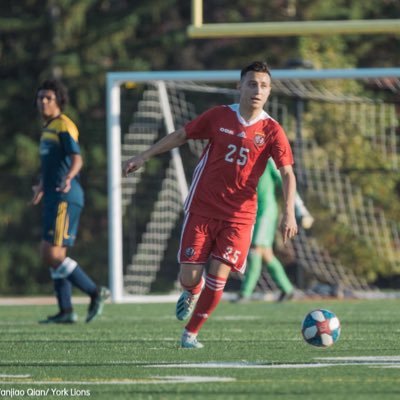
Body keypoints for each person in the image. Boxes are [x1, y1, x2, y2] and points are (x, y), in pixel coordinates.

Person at [122, 61, 298, 349]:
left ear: (269, 92)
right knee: (189, 276)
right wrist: (144, 156)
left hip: (239, 217)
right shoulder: (218, 116)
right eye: (252, 83)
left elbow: (287, 172)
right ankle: (192, 290)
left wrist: (289, 211)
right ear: (238, 86)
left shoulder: (272, 130)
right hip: (202, 208)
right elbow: (181, 135)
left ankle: (190, 333)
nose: (257, 89)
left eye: (264, 85)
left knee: (219, 275)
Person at [32, 78, 109, 324]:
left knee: (51, 254)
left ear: (59, 101)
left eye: (48, 98)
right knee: (52, 253)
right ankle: (66, 311)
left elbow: (77, 158)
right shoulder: (48, 128)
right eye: (40, 97)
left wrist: (68, 178)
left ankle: (95, 292)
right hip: (54, 194)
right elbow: (51, 165)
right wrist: (42, 185)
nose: (43, 101)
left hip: (66, 195)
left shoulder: (64, 126)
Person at [237, 158, 314, 303]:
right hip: (249, 211)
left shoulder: (267, 159)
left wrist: (301, 210)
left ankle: (245, 293)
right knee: (266, 254)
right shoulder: (243, 155)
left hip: (265, 212)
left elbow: (286, 180)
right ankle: (288, 290)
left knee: (255, 250)